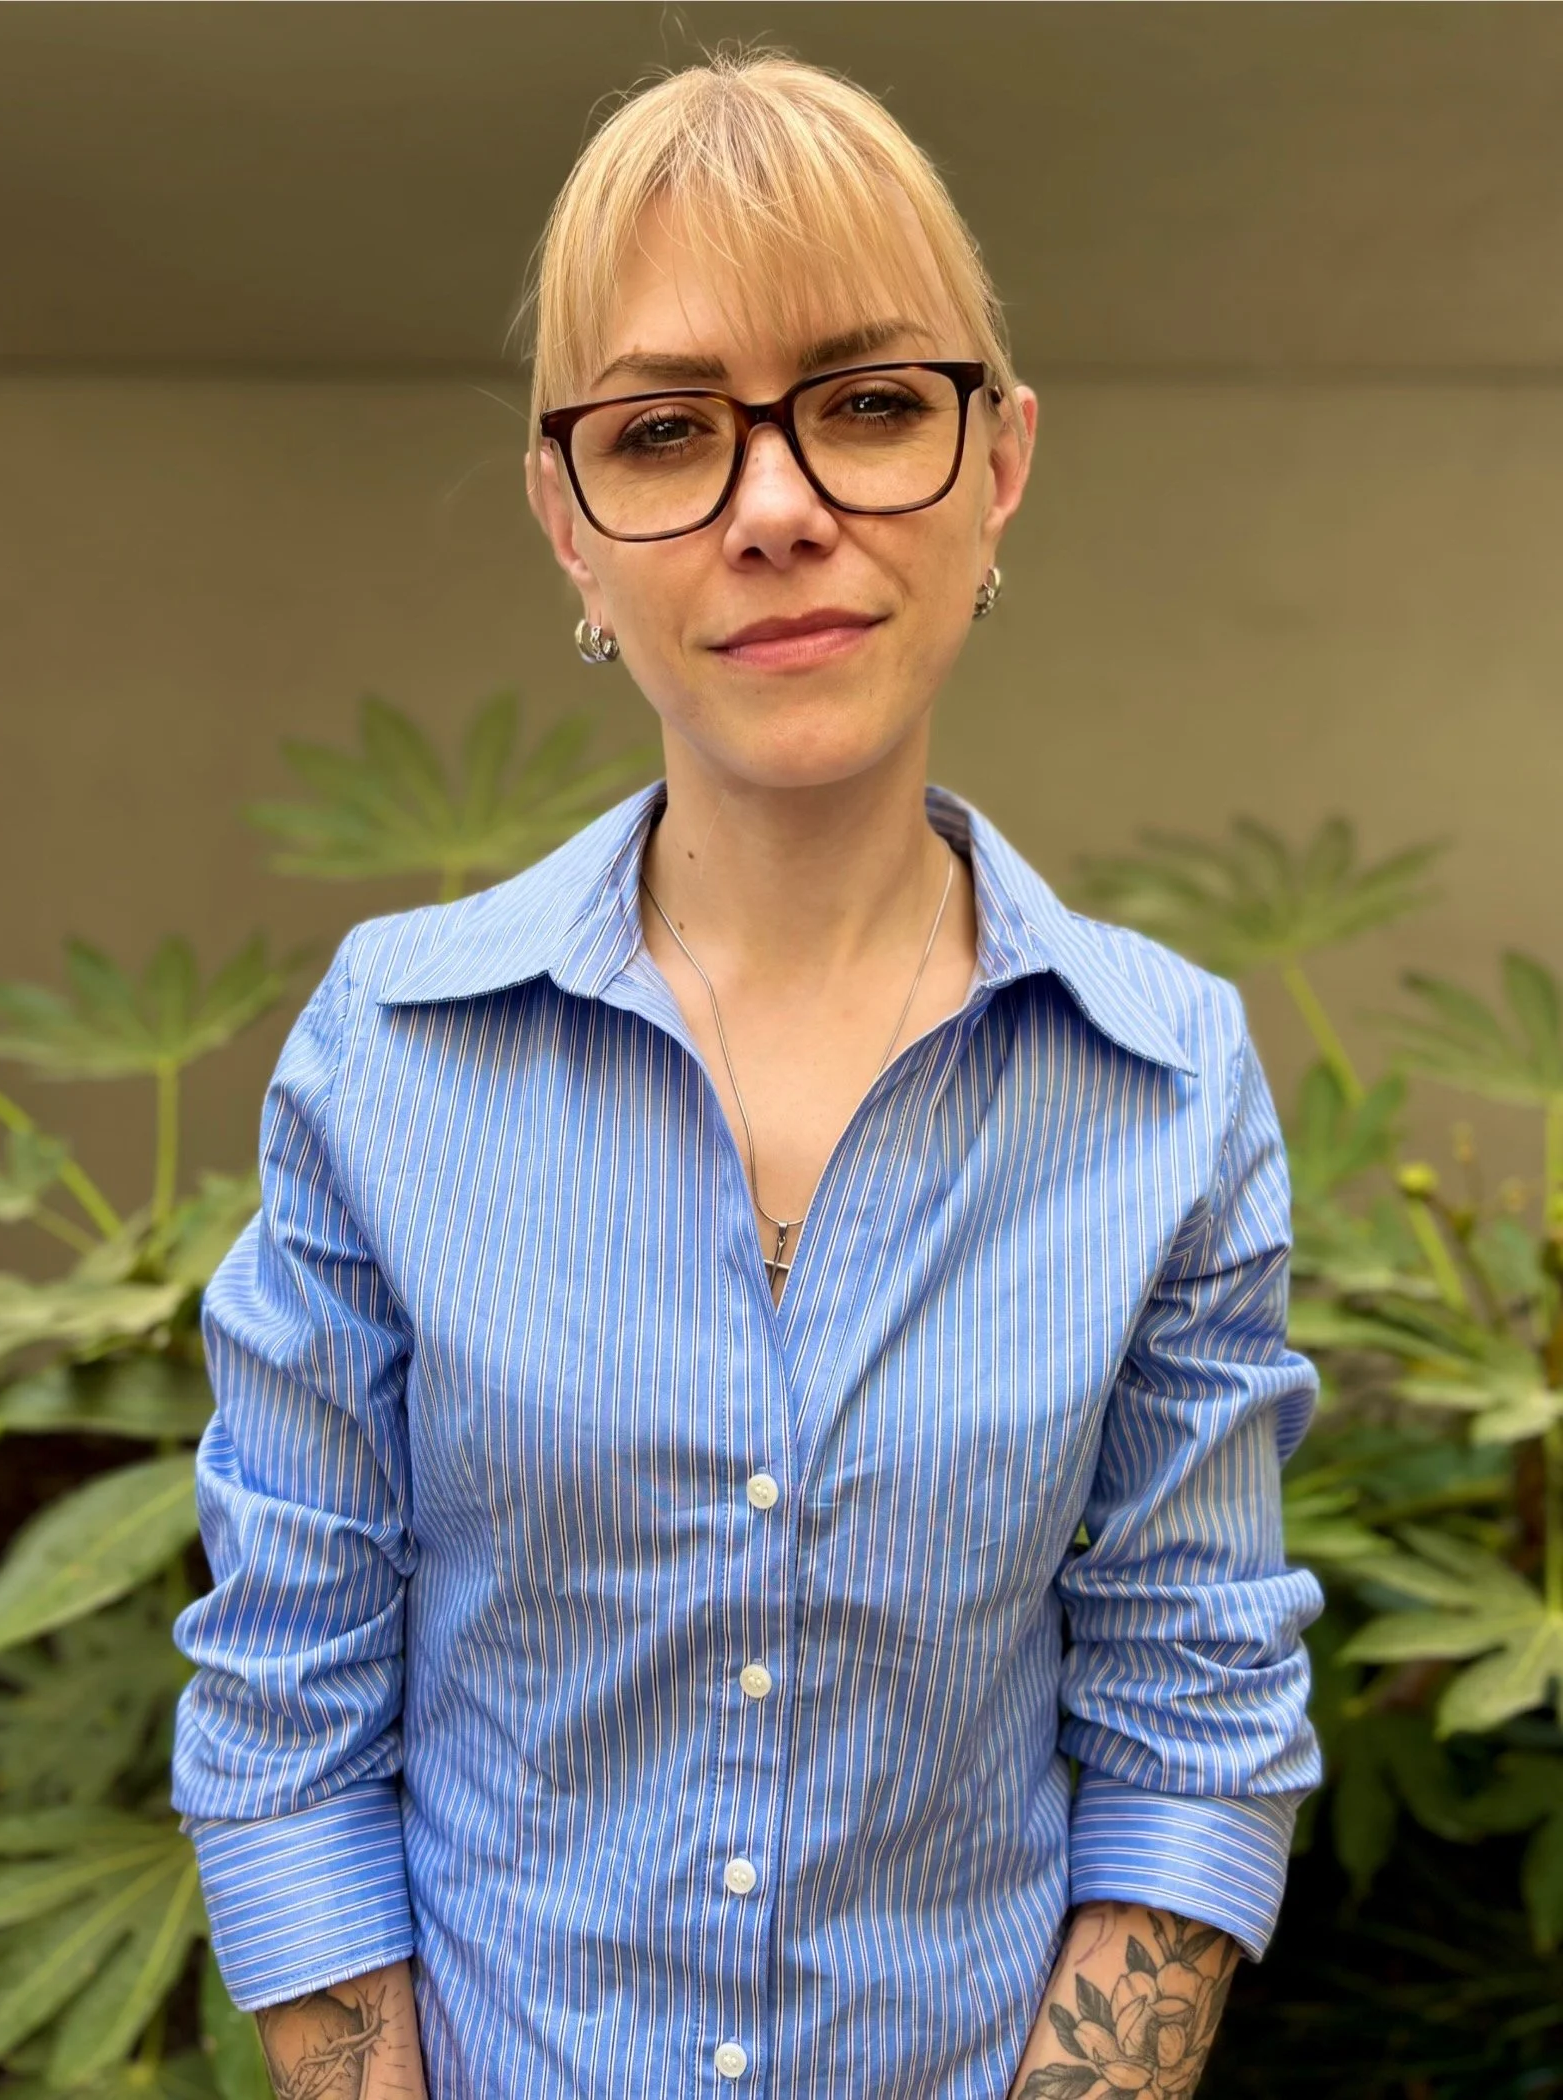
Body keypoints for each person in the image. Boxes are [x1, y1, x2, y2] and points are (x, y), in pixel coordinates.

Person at [171, 47, 1324, 2100]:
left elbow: (1189, 1713)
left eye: (870, 404)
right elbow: (286, 1708)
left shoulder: (1163, 1087)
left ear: (1000, 466)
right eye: (665, 431)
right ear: (568, 520)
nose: (775, 508)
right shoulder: (385, 1056)